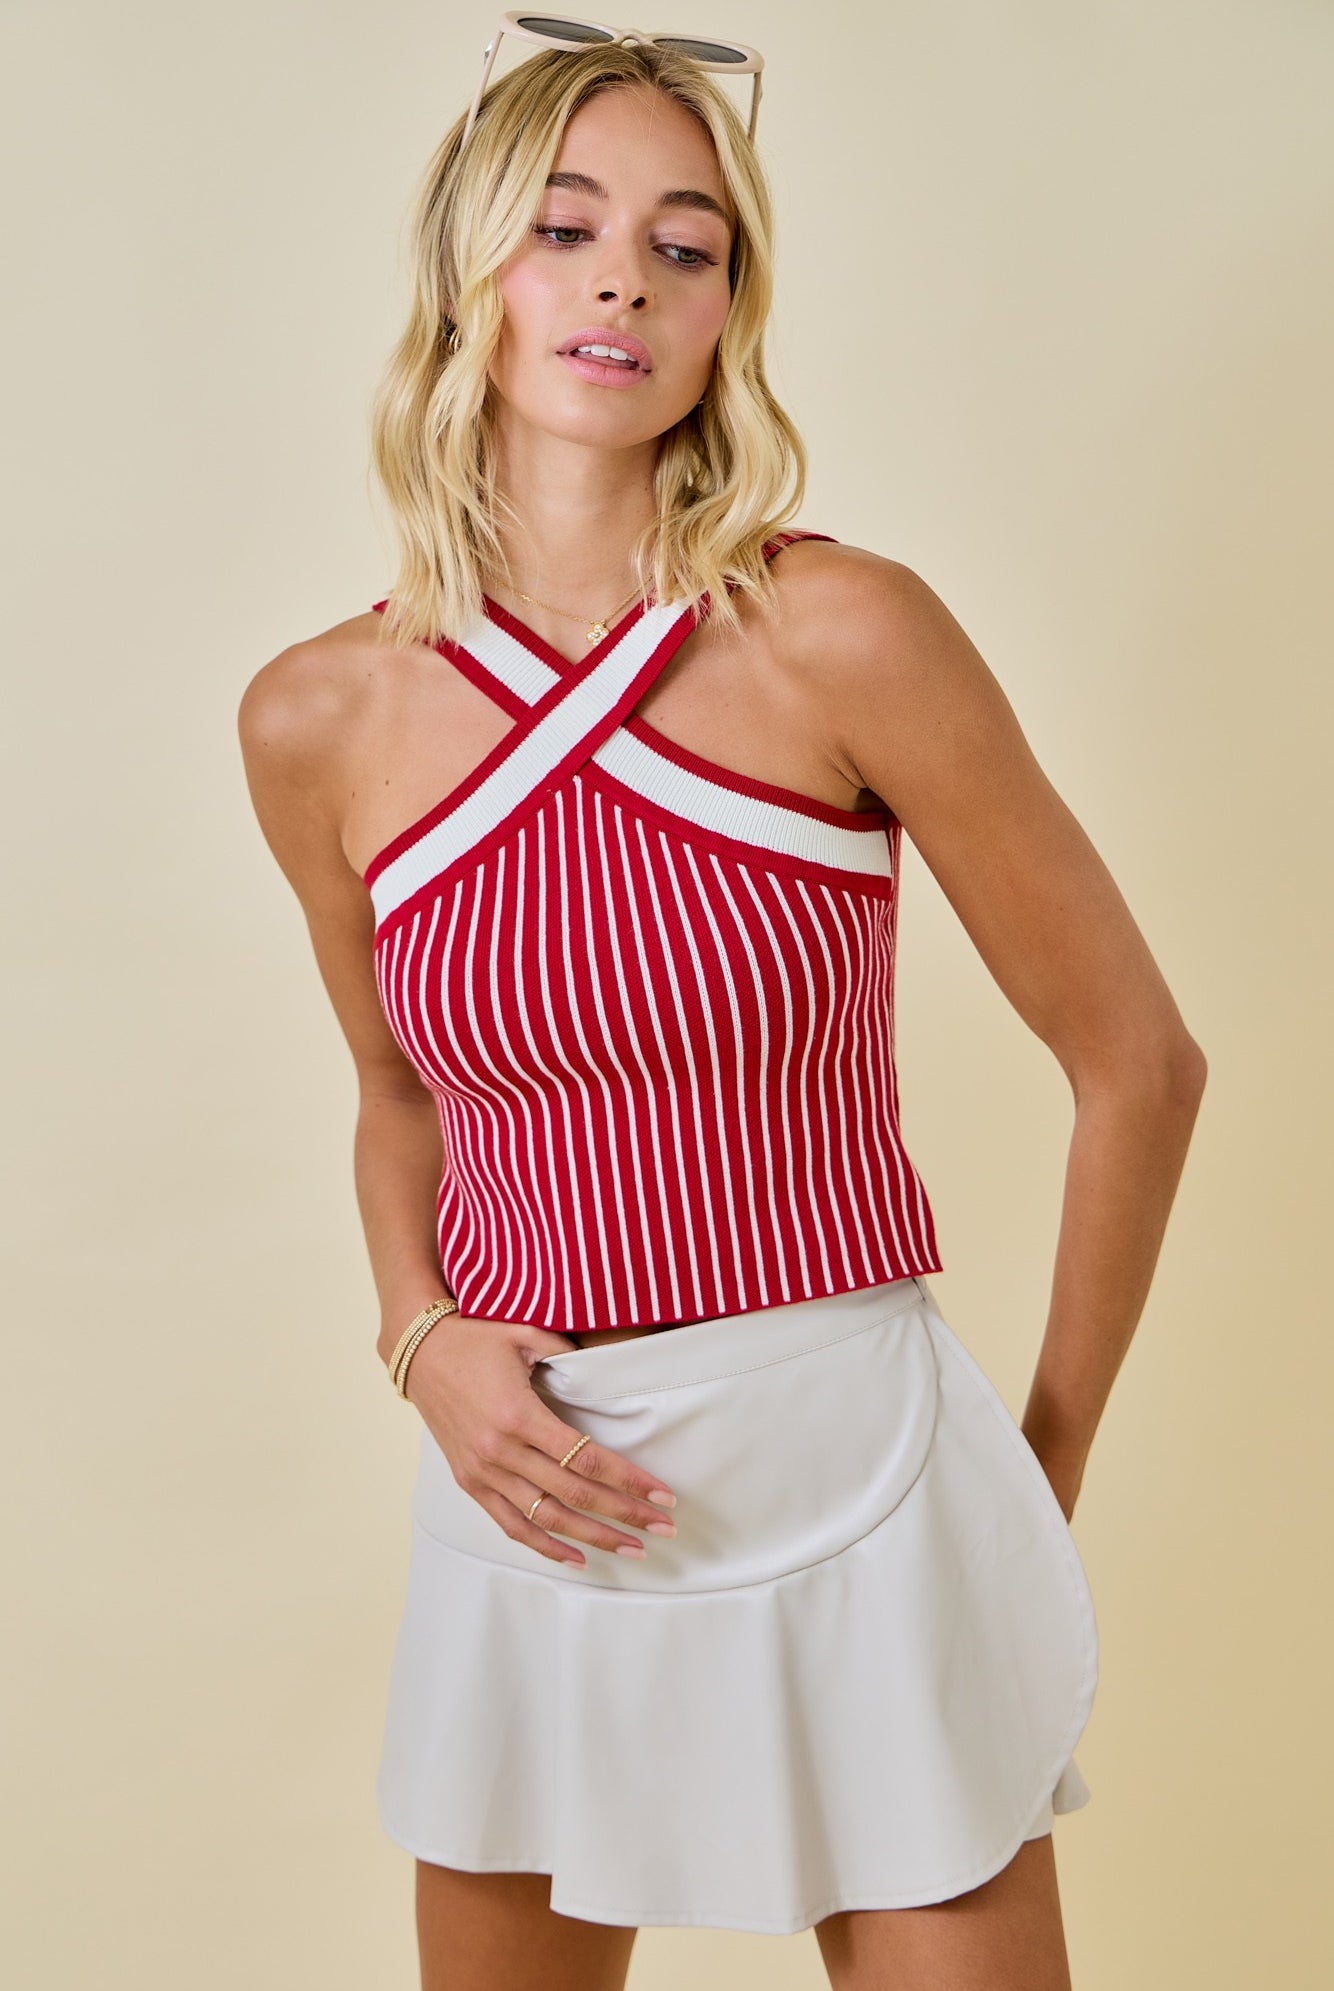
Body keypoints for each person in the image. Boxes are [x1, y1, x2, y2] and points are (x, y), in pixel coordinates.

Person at [237, 26, 1207, 1991]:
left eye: (683, 248)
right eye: (564, 229)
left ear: (724, 318)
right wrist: (421, 1342)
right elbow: (396, 1093)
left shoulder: (842, 632)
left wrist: (1037, 1471)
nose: (621, 282)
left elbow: (1136, 1060)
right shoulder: (316, 716)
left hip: (854, 1469)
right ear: (465, 271)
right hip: (529, 1490)